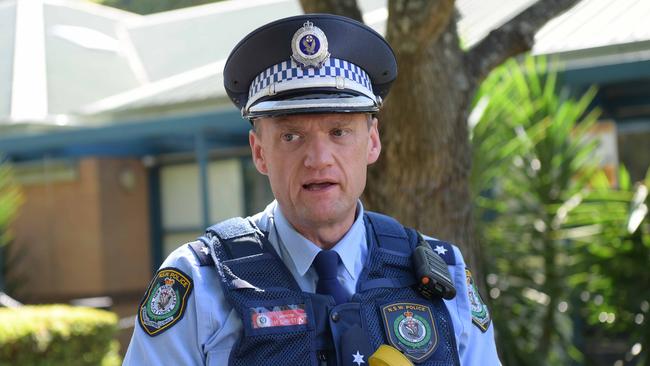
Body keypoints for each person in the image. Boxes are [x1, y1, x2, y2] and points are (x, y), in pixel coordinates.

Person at [124, 13, 501, 366]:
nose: (318, 158)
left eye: (339, 132)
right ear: (259, 152)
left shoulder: (442, 275)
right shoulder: (200, 282)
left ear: (372, 141)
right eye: (291, 136)